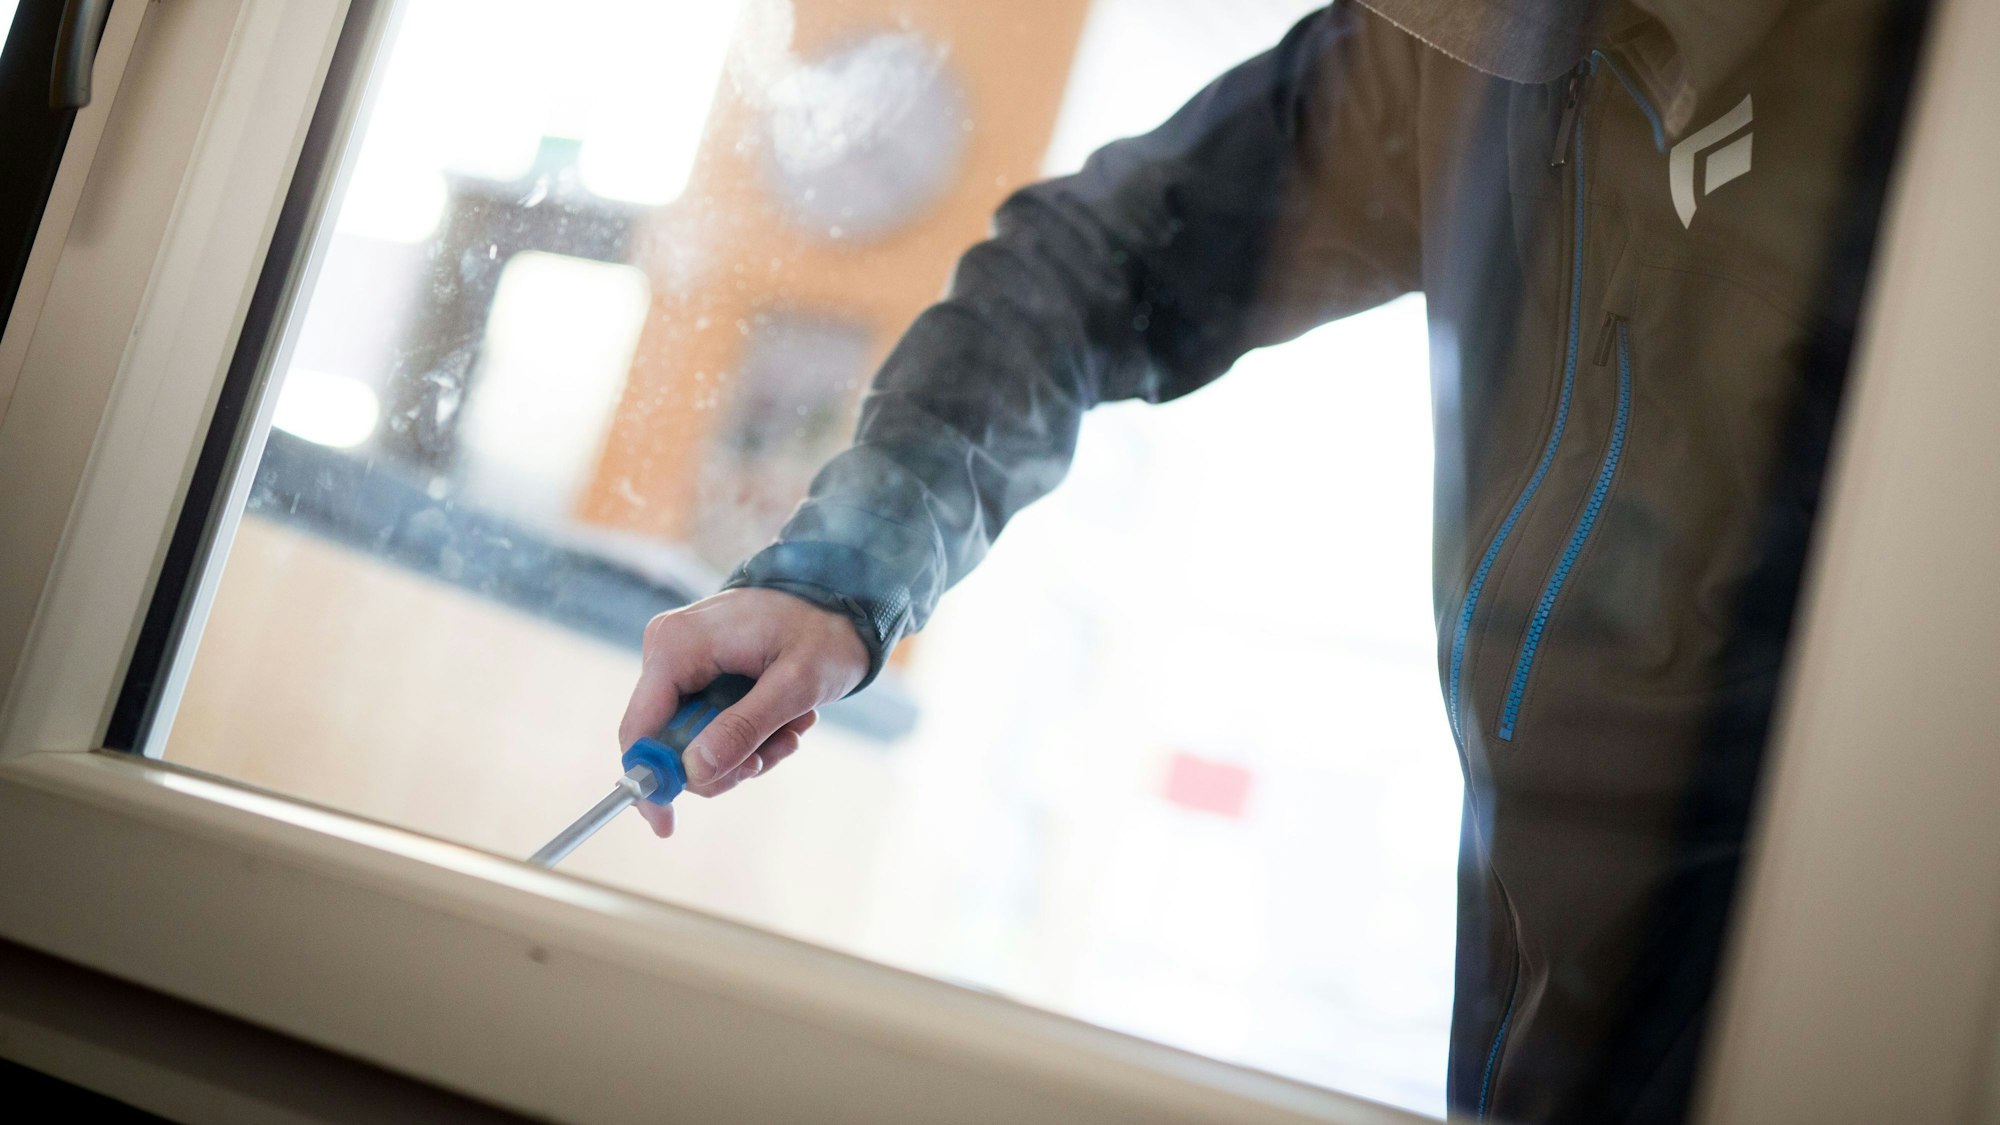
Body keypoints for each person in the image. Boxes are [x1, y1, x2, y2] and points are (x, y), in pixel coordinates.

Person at [617, 1, 1917, 1120]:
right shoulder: (1461, 52)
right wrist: (836, 575)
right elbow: (1095, 264)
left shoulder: (1920, 105)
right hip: (1531, 1035)